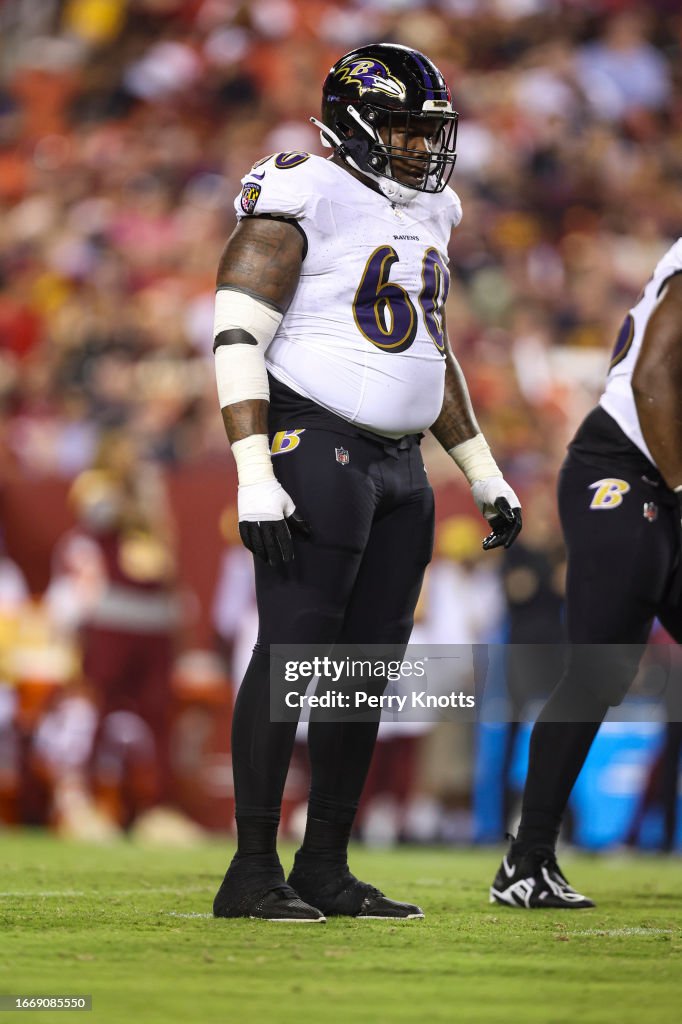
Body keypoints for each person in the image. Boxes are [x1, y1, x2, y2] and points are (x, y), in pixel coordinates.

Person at [212, 42, 522, 923]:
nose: (424, 149)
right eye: (404, 128)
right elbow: (236, 333)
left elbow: (433, 352)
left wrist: (483, 470)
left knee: (363, 673)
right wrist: (253, 469)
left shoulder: (434, 210)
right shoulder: (303, 188)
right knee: (291, 660)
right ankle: (249, 869)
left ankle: (325, 866)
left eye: (431, 132)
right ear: (354, 122)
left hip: (399, 465)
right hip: (316, 441)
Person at [490, 238, 682, 909]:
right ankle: (526, 860)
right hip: (625, 470)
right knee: (600, 668)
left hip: (665, 479)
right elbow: (655, 375)